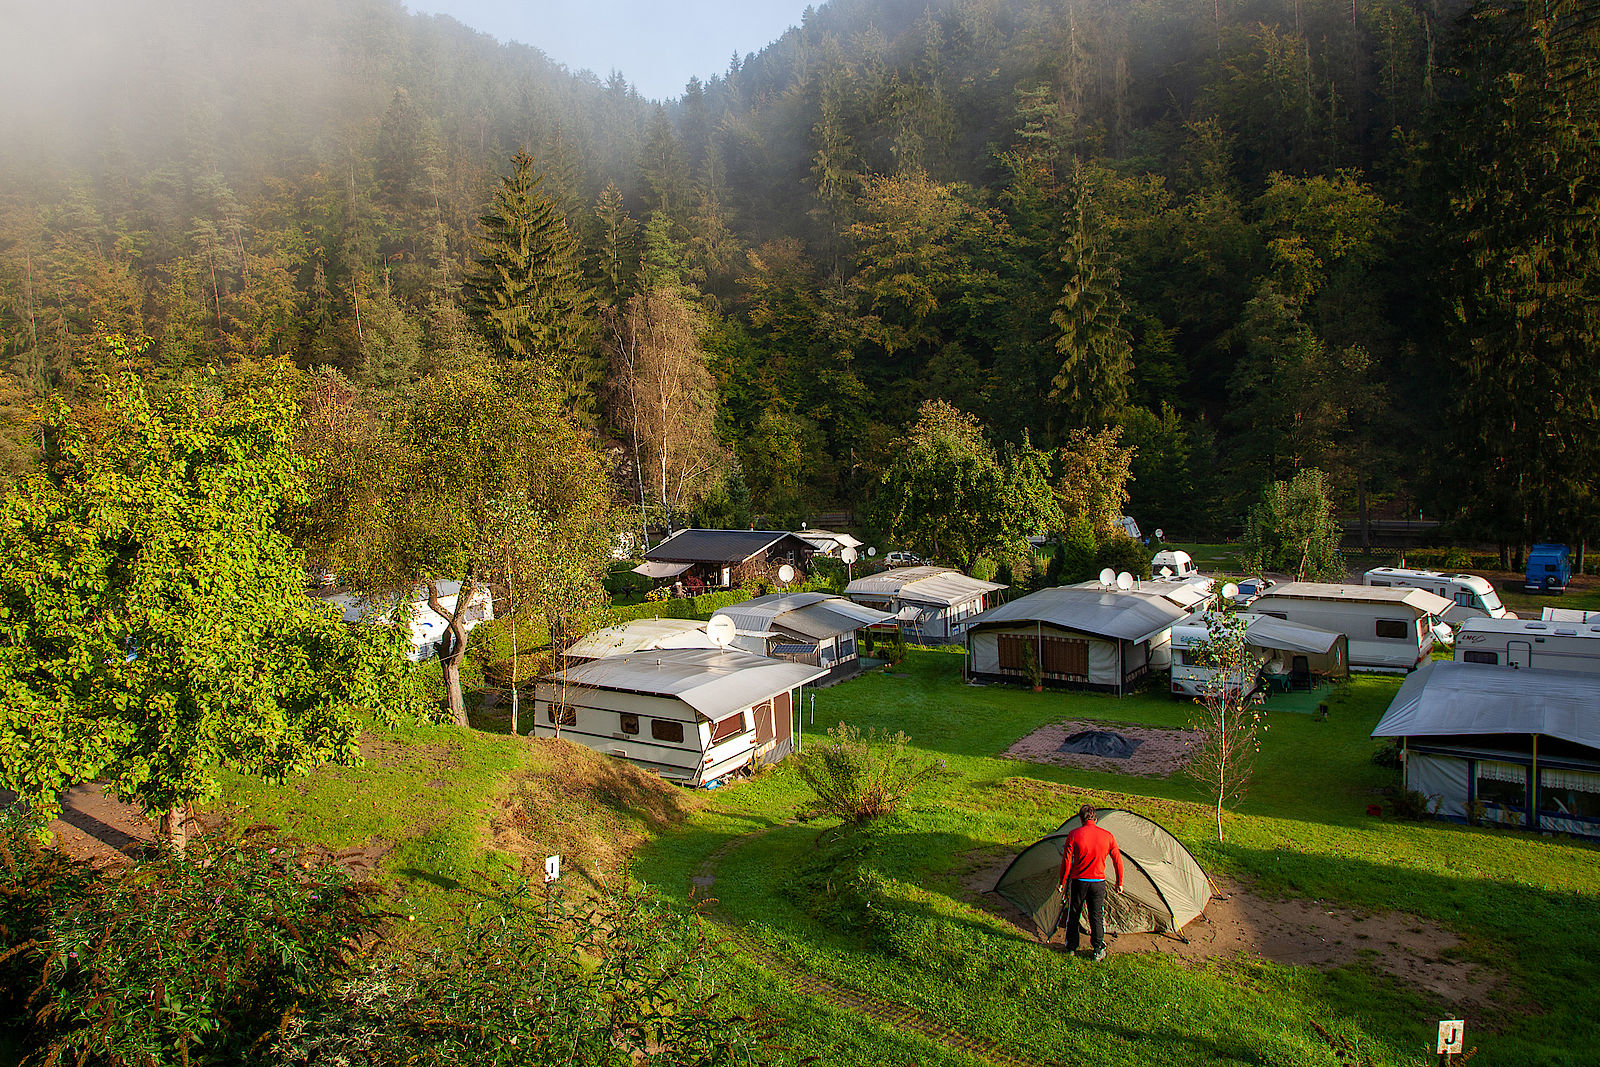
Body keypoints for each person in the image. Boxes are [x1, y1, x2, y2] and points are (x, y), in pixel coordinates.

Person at [1059, 804, 1123, 961]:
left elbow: (1067, 861)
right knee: (1096, 915)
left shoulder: (1074, 834)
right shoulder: (1108, 836)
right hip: (1098, 883)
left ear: (1081, 819)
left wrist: (1062, 881)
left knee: (1074, 913)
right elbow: (1117, 860)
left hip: (1078, 881)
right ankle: (1097, 949)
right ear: (1096, 818)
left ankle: (1071, 947)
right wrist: (1119, 881)